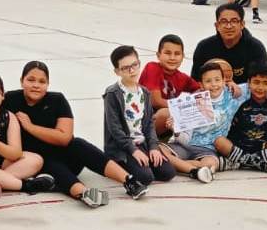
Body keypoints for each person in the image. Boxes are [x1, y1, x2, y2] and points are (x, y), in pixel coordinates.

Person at [3, 61, 148, 208]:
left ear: (48, 84)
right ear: (22, 81)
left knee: (77, 143)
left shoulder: (57, 100)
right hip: (34, 162)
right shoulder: (10, 99)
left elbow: (65, 138)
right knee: (51, 163)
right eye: (31, 80)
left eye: (42, 81)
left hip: (66, 157)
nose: (36, 85)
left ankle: (129, 181)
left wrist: (30, 127)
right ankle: (85, 193)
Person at [103, 45, 181, 188]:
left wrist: (153, 147)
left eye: (134, 65)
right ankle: (118, 164)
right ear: (117, 71)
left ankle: (143, 159)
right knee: (146, 177)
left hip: (142, 143)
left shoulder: (144, 92)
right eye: (126, 68)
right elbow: (115, 130)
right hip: (124, 147)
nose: (132, 70)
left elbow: (149, 124)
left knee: (168, 173)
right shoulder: (112, 94)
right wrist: (134, 151)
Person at [166, 58, 244, 182]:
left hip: (208, 149)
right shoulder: (191, 101)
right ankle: (194, 170)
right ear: (201, 84)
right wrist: (176, 130)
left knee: (210, 163)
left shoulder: (232, 95)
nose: (214, 84)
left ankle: (181, 165)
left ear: (224, 80)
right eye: (208, 81)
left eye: (217, 80)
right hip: (185, 146)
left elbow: (256, 87)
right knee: (160, 151)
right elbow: (184, 140)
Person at [216, 61, 267, 174]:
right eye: (256, 82)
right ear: (248, 83)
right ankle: (259, 164)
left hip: (262, 147)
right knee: (219, 141)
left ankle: (238, 163)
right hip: (236, 145)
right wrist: (228, 83)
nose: (260, 87)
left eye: (266, 83)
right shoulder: (239, 100)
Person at [139, 34, 200, 137]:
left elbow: (200, 90)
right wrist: (184, 107)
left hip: (166, 126)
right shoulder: (152, 68)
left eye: (177, 54)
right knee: (167, 113)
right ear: (158, 55)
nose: (172, 58)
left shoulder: (182, 78)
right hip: (142, 122)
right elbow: (155, 101)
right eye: (167, 53)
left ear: (183, 56)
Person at [192, 4, 267, 83]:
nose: (229, 26)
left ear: (242, 24)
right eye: (224, 21)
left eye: (234, 21)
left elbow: (262, 82)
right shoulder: (204, 47)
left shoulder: (255, 48)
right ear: (217, 25)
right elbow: (195, 81)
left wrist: (239, 90)